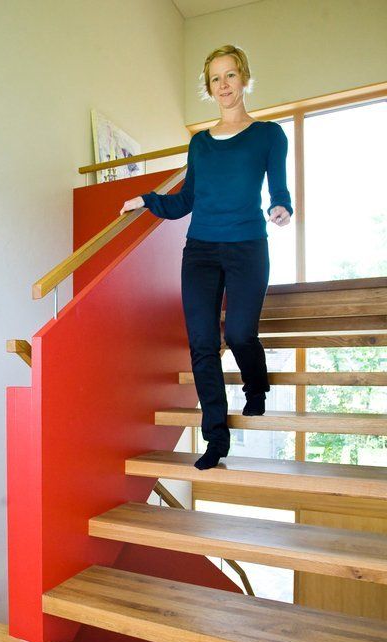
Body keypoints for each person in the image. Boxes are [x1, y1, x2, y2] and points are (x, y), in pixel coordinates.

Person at [119, 44, 293, 470]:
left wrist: (281, 206)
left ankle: (256, 386)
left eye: (230, 75)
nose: (223, 85)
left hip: (247, 246)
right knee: (201, 344)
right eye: (216, 79)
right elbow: (187, 200)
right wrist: (147, 199)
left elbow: (278, 186)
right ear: (209, 87)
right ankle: (216, 437)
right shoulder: (199, 143)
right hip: (200, 251)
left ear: (244, 78)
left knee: (239, 334)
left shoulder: (269, 135)